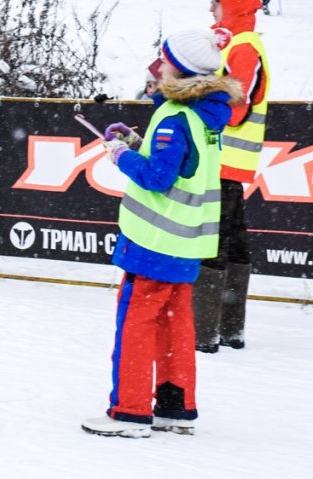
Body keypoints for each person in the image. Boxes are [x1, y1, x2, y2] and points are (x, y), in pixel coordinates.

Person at [82, 28, 242, 438]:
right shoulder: (203, 113)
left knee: (136, 324)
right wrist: (137, 141)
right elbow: (183, 166)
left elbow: (157, 176)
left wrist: (120, 156)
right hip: (186, 242)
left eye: (165, 58)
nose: (159, 63)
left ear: (181, 68)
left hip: (155, 241)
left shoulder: (174, 115)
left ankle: (130, 412)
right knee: (175, 325)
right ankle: (175, 406)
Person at [192, 0, 271, 352]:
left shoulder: (243, 47)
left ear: (234, 7)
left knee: (213, 243)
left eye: (216, 4)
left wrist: (194, 94)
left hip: (221, 160)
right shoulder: (238, 44)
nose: (211, 10)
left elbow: (235, 111)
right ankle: (228, 330)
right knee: (234, 244)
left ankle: (204, 333)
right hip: (227, 163)